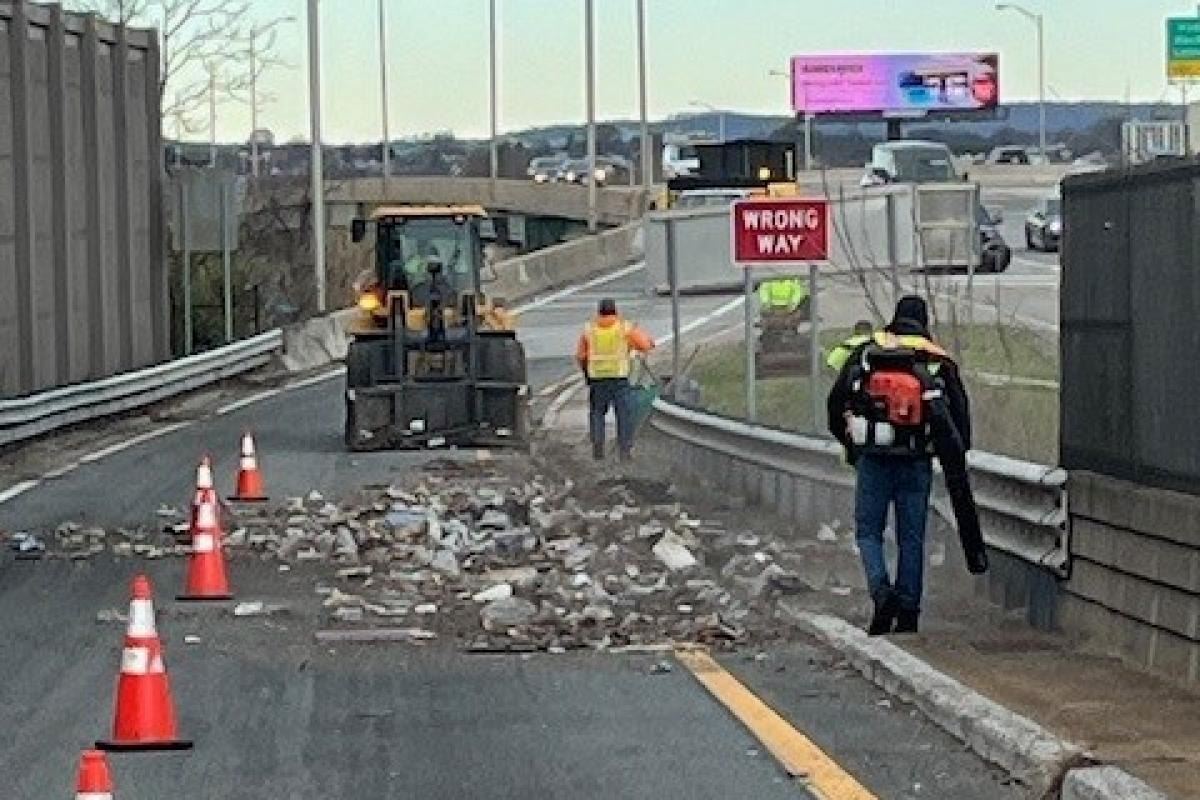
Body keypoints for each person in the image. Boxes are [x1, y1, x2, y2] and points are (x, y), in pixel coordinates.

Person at [826, 296, 971, 635]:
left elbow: (836, 403)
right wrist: (953, 454)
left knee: (867, 532)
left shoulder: (868, 351)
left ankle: (881, 591)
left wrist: (853, 447)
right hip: (917, 460)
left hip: (874, 458)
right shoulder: (935, 358)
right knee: (912, 539)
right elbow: (959, 417)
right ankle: (907, 611)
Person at [576, 298, 655, 461]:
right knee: (624, 415)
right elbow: (646, 345)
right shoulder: (624, 328)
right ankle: (624, 451)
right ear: (616, 312)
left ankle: (598, 448)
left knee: (597, 413)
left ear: (599, 313)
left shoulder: (589, 330)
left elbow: (581, 356)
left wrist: (587, 374)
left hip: (597, 380)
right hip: (619, 379)